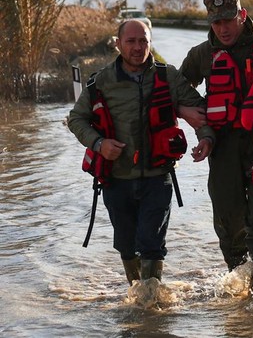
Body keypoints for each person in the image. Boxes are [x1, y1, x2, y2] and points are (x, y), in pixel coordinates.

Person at [67, 20, 215, 285]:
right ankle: (136, 297)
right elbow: (76, 119)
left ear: (150, 42)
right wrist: (99, 144)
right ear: (118, 44)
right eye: (131, 41)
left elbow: (198, 107)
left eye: (143, 41)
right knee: (126, 245)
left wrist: (205, 138)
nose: (138, 47)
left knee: (151, 243)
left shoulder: (167, 76)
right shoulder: (101, 81)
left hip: (158, 177)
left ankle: (150, 305)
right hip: (117, 179)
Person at [177, 0, 253, 294]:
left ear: (241, 16)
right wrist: (187, 110)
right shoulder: (202, 55)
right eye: (216, 23)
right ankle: (238, 285)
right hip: (224, 147)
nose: (223, 28)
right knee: (228, 220)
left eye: (228, 20)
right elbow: (177, 86)